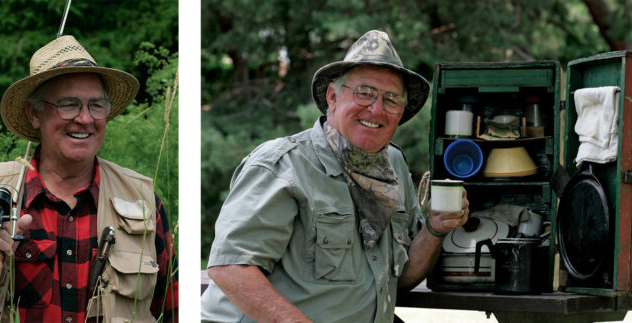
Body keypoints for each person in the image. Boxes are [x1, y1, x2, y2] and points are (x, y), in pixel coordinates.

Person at [201, 30, 470, 322]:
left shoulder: (393, 165)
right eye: (364, 93)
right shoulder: (282, 164)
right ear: (333, 96)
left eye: (392, 99)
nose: (377, 109)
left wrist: (435, 228)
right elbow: (231, 268)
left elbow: (398, 278)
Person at [0, 36, 178, 322]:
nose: (85, 119)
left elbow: (176, 307)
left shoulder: (143, 202)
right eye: (69, 104)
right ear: (34, 113)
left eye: (96, 106)